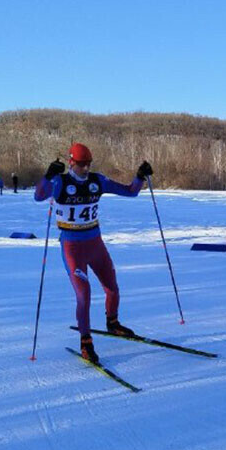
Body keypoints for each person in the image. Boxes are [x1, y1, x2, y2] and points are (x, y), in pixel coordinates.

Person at [34, 142, 152, 363]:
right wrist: (49, 175)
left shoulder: (98, 181)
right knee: (84, 294)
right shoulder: (61, 182)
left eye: (88, 164)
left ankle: (113, 322)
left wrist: (140, 176)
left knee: (112, 286)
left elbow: (131, 192)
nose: (86, 169)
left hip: (95, 244)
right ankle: (86, 341)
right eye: (81, 164)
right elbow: (39, 196)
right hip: (72, 247)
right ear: (71, 163)